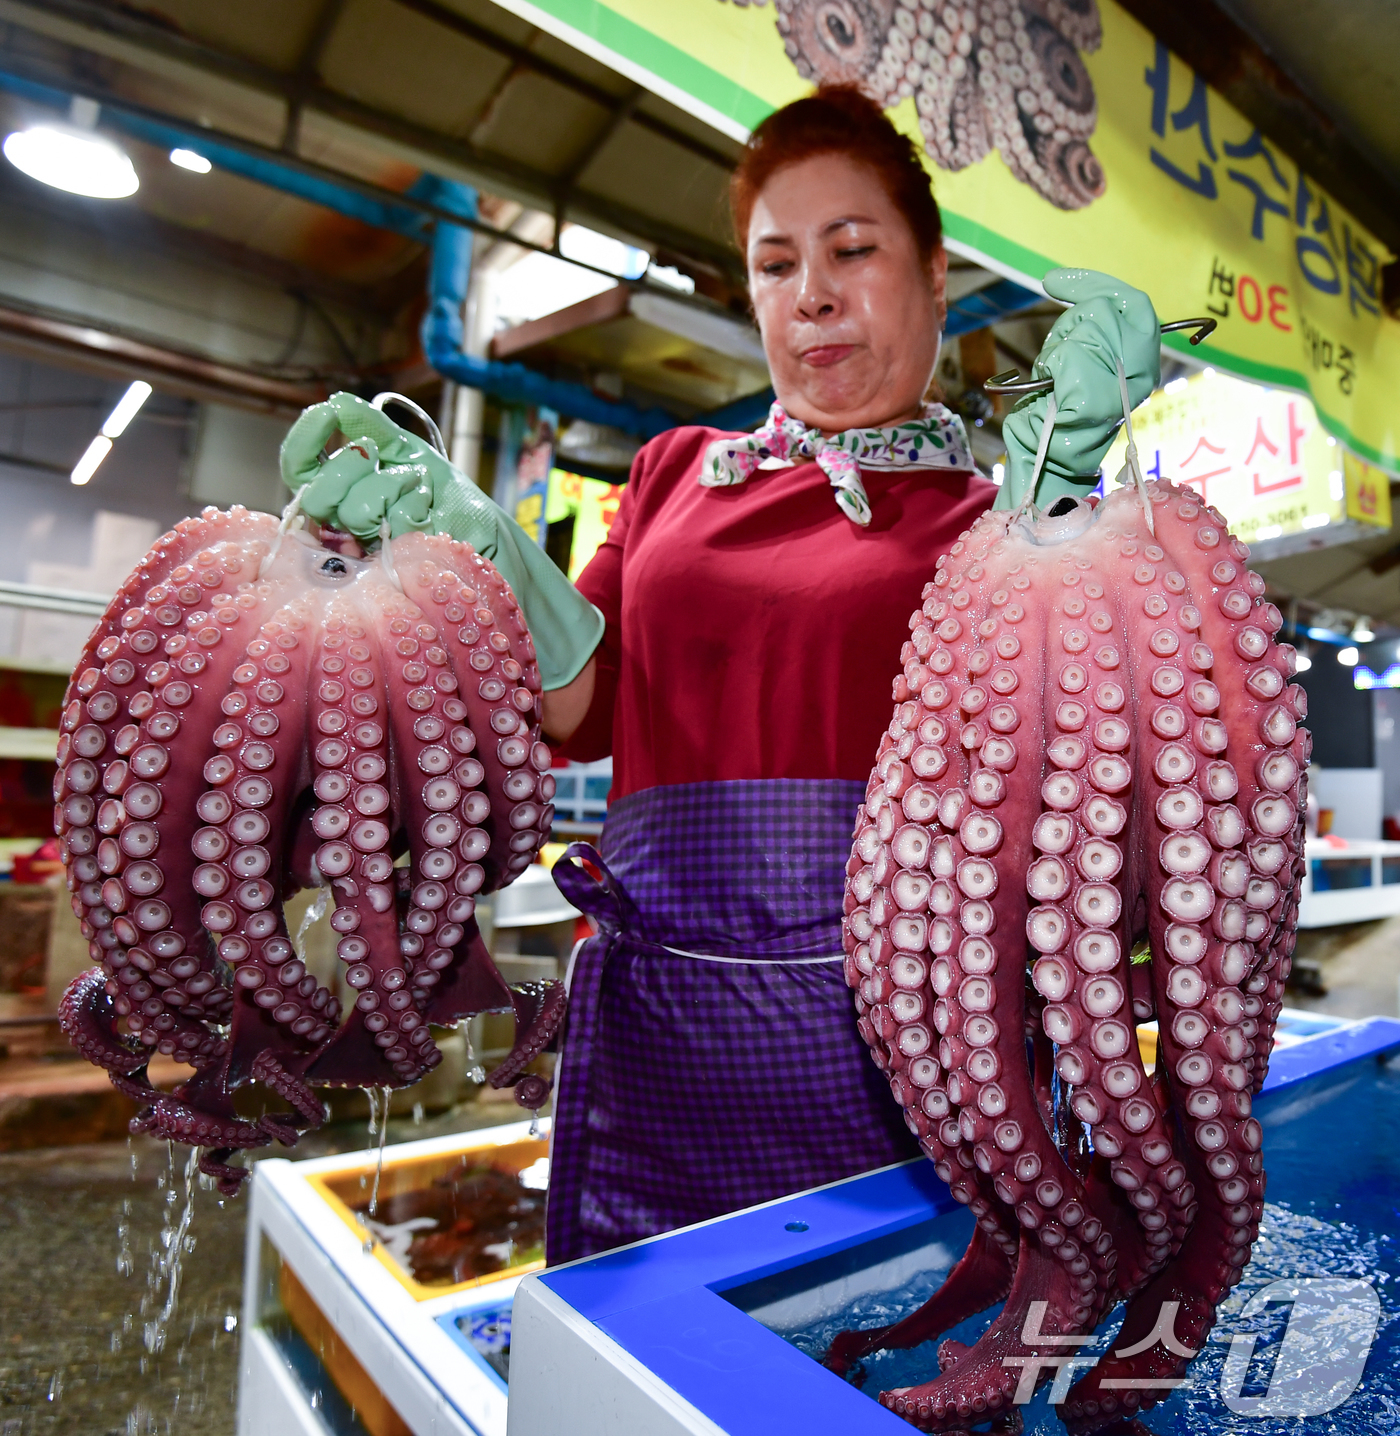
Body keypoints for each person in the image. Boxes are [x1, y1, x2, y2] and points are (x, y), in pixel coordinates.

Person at [279, 86, 1162, 1264]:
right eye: (774, 263)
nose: (812, 296)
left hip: (927, 1047)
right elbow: (577, 708)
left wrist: (1056, 507)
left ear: (934, 272)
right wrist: (488, 556)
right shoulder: (673, 474)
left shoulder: (1000, 519)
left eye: (852, 250)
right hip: (669, 1041)